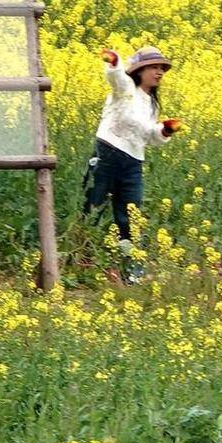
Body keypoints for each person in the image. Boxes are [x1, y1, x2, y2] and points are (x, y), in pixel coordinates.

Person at [87, 46, 182, 283]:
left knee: (130, 217)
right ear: (139, 70)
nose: (159, 72)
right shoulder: (126, 88)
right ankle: (80, 262)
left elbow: (150, 137)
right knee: (92, 208)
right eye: (154, 67)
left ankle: (132, 272)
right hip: (108, 153)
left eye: (162, 68)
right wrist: (114, 61)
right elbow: (116, 76)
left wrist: (165, 130)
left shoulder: (152, 104)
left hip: (133, 162)